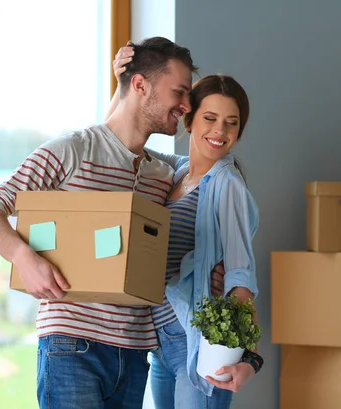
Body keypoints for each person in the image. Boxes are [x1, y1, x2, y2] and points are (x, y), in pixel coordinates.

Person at [0, 37, 198, 409]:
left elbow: (208, 169)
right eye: (179, 92)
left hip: (134, 350)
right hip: (72, 345)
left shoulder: (164, 172)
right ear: (139, 85)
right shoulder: (73, 150)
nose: (186, 106)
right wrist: (24, 258)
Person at [109, 45, 265, 409]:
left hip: (197, 346)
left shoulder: (227, 184)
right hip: (161, 343)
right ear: (189, 118)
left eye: (232, 122)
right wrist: (121, 86)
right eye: (210, 118)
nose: (220, 131)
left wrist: (249, 360)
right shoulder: (175, 172)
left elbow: (241, 277)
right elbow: (118, 144)